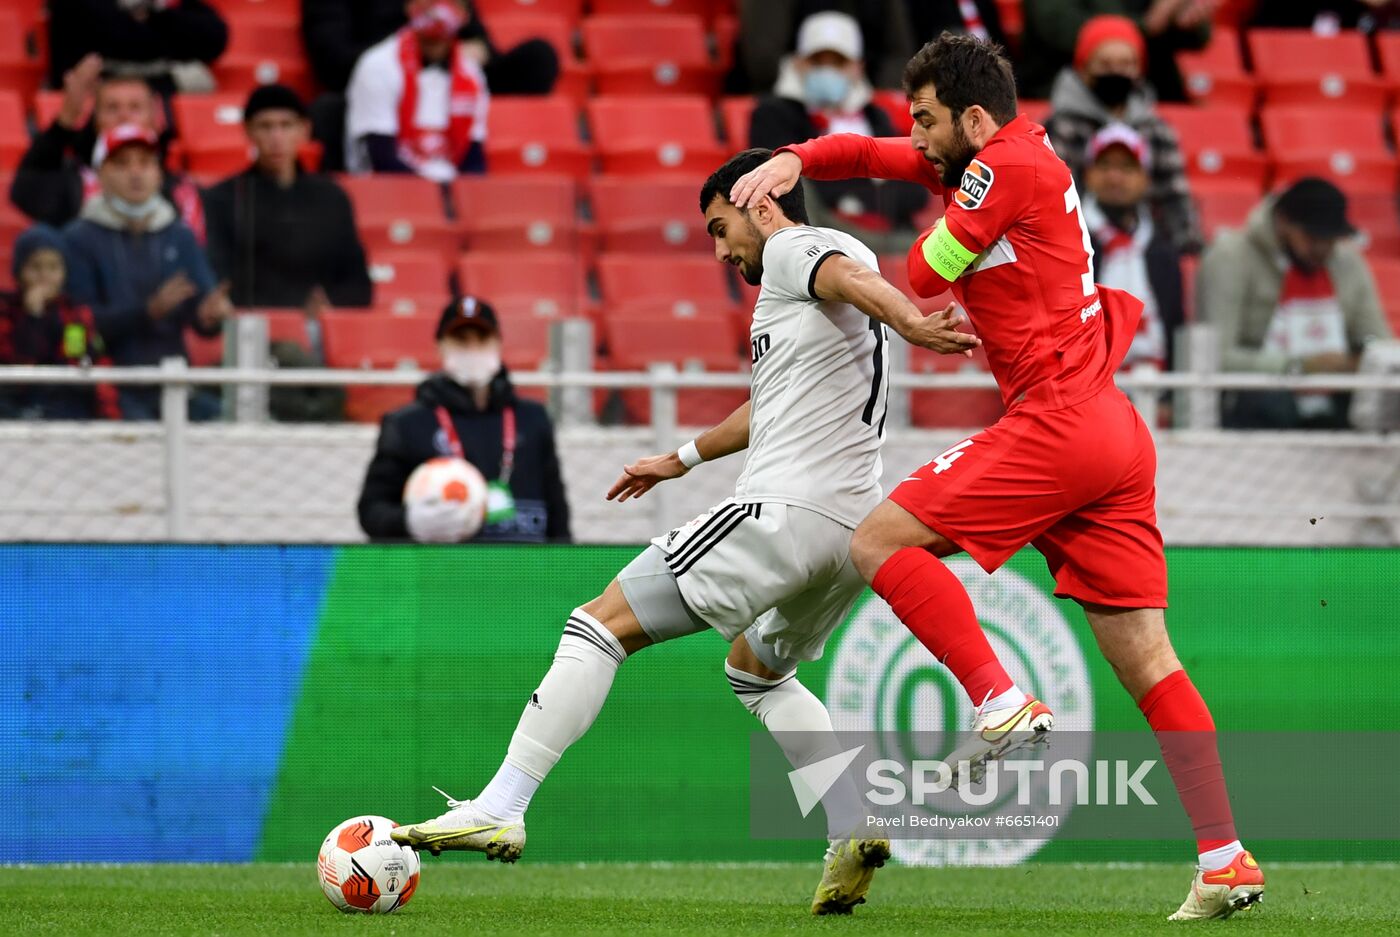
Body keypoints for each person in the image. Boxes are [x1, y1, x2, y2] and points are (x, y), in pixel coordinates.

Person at [730, 33, 1264, 919]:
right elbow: (868, 152)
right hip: (1111, 430)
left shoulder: (1001, 167)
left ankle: (999, 699)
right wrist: (793, 157)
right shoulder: (1006, 156)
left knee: (879, 539)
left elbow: (921, 269)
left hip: (1056, 420)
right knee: (1148, 659)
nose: (919, 137)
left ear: (975, 117)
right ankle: (1225, 854)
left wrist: (938, 227)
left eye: (930, 121)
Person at [386, 149, 979, 915]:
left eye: (719, 226)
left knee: (598, 624)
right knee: (756, 671)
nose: (720, 247)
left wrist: (912, 321)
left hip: (782, 512)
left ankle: (502, 802)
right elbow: (772, 403)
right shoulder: (803, 299)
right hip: (849, 532)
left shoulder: (797, 248)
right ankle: (852, 820)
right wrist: (680, 457)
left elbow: (851, 278)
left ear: (759, 204)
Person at [357, 298, 570, 543]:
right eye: (461, 341)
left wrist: (561, 561)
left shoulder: (533, 419)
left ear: (498, 344)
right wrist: (409, 521)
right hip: (444, 569)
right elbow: (371, 511)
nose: (472, 349)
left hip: (524, 568)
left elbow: (557, 512)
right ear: (440, 347)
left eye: (481, 340)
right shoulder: (407, 424)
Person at [63, 124, 231, 420]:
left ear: (159, 173)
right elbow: (76, 325)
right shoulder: (78, 238)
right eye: (123, 164)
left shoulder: (180, 235)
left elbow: (202, 312)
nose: (136, 173)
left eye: (145, 163)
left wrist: (210, 316)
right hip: (108, 385)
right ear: (101, 173)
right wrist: (147, 312)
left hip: (174, 383)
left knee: (227, 422)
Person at [1198, 178, 1392, 429]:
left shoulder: (1349, 265)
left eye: (1330, 239)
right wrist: (1300, 366)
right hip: (1257, 403)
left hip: (1336, 401)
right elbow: (1214, 356)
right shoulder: (1230, 258)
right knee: (1271, 403)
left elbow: (1381, 345)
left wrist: (1358, 360)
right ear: (1282, 221)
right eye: (1312, 237)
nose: (1322, 249)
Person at [749, 12, 930, 254]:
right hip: (817, 240)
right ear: (798, 63)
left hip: (890, 237)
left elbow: (916, 189)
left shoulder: (876, 116)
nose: (828, 71)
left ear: (858, 67)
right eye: (817, 62)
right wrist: (868, 190)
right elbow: (786, 186)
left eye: (838, 63)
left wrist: (851, 199)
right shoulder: (774, 114)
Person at [202, 85, 373, 311]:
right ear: (248, 130)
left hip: (316, 331)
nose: (276, 137)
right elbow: (216, 274)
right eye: (265, 126)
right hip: (248, 328)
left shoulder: (331, 198)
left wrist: (330, 303)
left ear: (305, 129)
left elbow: (357, 282)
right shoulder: (223, 198)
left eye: (286, 125)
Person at [1044, 15, 1202, 253]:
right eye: (1105, 64)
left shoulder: (1156, 131)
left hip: (1147, 250)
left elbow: (1175, 200)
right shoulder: (1060, 128)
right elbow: (1052, 204)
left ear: (1139, 70)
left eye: (1126, 64)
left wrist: (1182, 252)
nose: (1116, 72)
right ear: (1083, 67)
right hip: (1075, 252)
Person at [10, 57, 206, 239]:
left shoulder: (182, 190)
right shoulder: (75, 183)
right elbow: (25, 192)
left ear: (156, 118)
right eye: (112, 107)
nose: (123, 115)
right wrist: (65, 120)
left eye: (135, 107)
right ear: (95, 120)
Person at [344, 0, 491, 181]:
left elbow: (473, 159)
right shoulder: (378, 65)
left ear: (466, 13)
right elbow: (381, 159)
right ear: (409, 7)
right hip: (389, 192)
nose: (439, 10)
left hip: (451, 193)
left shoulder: (471, 74)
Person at [1082, 124, 1184, 371]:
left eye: (1127, 168)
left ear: (1145, 178)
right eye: (1105, 166)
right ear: (1088, 175)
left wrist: (1169, 401)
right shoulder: (1068, 239)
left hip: (1153, 387)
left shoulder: (1162, 251)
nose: (1114, 177)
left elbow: (1175, 327)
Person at [0, 225, 121, 420]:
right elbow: (18, 365)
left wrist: (110, 415)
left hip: (64, 408)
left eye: (53, 267)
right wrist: (33, 317)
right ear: (19, 272)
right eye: (35, 267)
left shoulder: (75, 314)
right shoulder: (6, 311)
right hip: (16, 406)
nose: (45, 276)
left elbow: (82, 361)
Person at [1019, 0, 1214, 103]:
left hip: (1149, 96)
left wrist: (1187, 16)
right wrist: (1150, 23)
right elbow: (1059, 31)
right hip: (1062, 93)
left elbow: (1197, 39)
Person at [47, 0, 228, 96]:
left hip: (162, 89)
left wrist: (155, 16)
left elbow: (215, 38)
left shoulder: (164, 7)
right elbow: (122, 39)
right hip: (98, 95)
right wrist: (168, 31)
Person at [729, 0, 915, 93]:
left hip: (863, 90)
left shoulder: (876, 118)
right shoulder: (773, 115)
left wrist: (875, 97)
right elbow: (763, 57)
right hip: (787, 91)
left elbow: (898, 52)